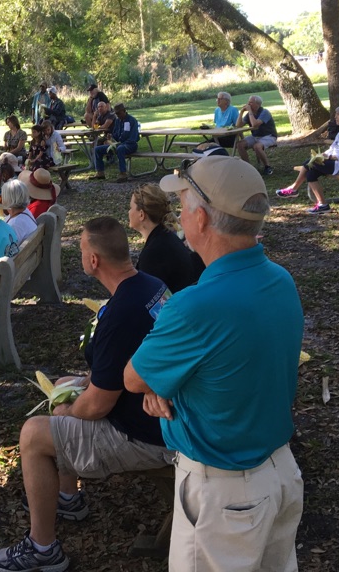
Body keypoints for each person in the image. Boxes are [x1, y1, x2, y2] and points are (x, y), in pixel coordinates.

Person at [124, 156, 304, 572]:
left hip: (226, 494)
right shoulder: (280, 279)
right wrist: (162, 383)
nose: (179, 217)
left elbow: (133, 378)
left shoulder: (195, 306)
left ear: (201, 219)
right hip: (280, 473)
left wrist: (160, 385)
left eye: (183, 207)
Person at [0, 217, 172, 572]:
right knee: (64, 391)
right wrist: (82, 382)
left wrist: (69, 408)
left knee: (34, 433)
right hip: (161, 410)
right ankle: (67, 497)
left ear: (94, 261)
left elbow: (99, 405)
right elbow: (124, 365)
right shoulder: (152, 286)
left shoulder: (119, 313)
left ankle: (43, 548)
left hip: (151, 434)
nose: (82, 258)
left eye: (83, 251)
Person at [275, 104, 339, 214]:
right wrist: (322, 154)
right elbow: (333, 148)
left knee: (311, 163)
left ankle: (294, 188)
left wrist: (328, 157)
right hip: (335, 162)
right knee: (311, 173)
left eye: (338, 114)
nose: (335, 117)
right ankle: (322, 204)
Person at [129, 183, 203, 293]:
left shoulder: (153, 254)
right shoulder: (167, 236)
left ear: (141, 214)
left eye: (131, 208)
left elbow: (149, 300)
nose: (129, 212)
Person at [91, 103, 139, 183]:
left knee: (120, 149)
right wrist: (111, 137)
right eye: (116, 114)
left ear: (124, 111)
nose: (118, 116)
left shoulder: (132, 121)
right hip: (118, 144)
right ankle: (100, 172)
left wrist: (120, 143)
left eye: (119, 113)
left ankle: (123, 173)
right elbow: (116, 135)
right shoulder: (117, 121)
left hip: (130, 145)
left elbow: (133, 138)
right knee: (97, 149)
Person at [234, 94, 277, 175]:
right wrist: (241, 112)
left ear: (258, 104)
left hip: (268, 136)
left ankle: (267, 167)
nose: (248, 104)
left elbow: (255, 124)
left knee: (257, 146)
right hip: (255, 136)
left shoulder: (265, 112)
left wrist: (249, 111)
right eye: (248, 102)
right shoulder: (249, 114)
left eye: (251, 103)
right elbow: (238, 125)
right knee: (240, 144)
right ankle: (248, 167)